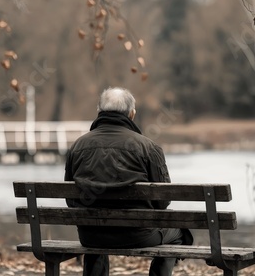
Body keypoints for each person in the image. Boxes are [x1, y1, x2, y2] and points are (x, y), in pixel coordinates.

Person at [64, 87, 193, 276]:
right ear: (132, 114)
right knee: (179, 232)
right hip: (140, 235)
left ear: (99, 112)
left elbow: (71, 200)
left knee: (94, 221)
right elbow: (163, 201)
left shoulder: (77, 147)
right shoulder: (149, 147)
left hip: (91, 236)